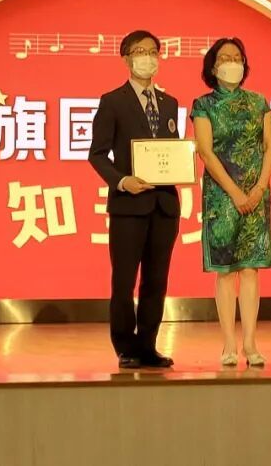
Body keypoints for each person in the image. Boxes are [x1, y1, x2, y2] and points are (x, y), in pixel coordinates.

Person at [89, 30, 181, 370]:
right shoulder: (112, 101)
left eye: (153, 51)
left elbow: (171, 152)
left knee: (156, 281)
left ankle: (148, 346)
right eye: (140, 51)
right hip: (128, 205)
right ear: (126, 58)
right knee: (124, 281)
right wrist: (122, 180)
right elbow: (97, 154)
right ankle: (125, 347)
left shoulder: (169, 103)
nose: (148, 57)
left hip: (164, 205)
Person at [191, 38, 271, 367]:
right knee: (226, 272)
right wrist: (235, 193)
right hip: (222, 197)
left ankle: (251, 343)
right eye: (225, 58)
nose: (232, 63)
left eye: (237, 57)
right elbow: (205, 151)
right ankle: (229, 344)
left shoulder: (258, 102)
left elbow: (269, 146)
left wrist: (259, 187)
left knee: (251, 269)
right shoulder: (203, 104)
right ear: (213, 67)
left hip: (256, 194)